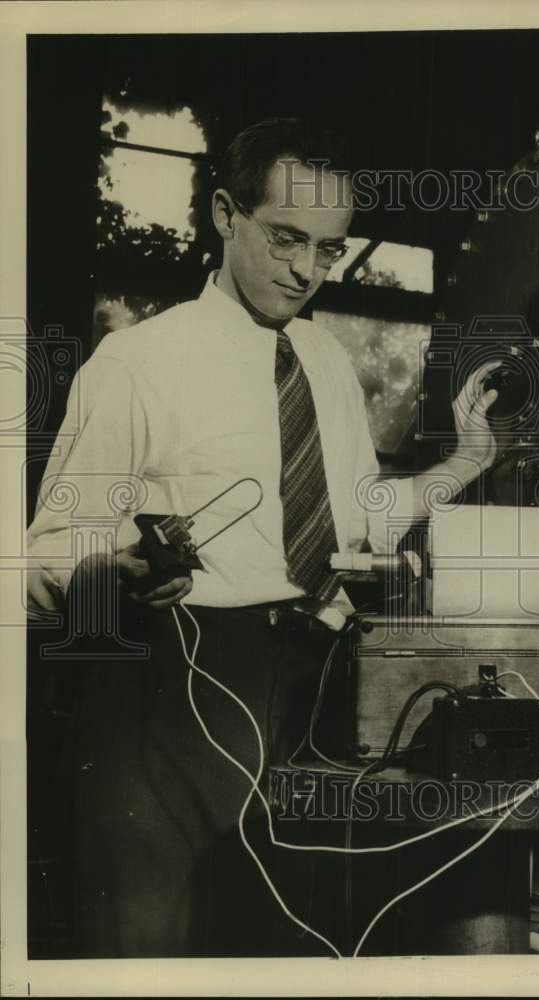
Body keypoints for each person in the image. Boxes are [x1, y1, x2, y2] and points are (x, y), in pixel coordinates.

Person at [26, 118, 500, 957]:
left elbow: (359, 519)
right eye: (286, 239)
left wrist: (462, 462)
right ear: (223, 213)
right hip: (167, 691)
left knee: (285, 948)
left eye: (327, 249)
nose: (305, 271)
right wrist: (113, 572)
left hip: (308, 687)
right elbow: (48, 549)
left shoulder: (322, 360)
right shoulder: (137, 363)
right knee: (148, 951)